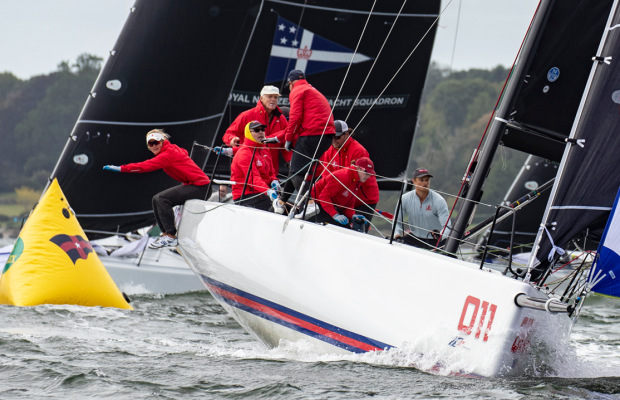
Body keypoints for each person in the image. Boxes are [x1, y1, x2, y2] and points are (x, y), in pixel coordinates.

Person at [103, 129, 211, 248]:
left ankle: (170, 236)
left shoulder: (167, 154)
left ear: (162, 141)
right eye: (151, 144)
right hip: (194, 185)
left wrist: (121, 168)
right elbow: (183, 152)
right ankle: (165, 234)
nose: (154, 146)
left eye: (156, 142)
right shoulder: (171, 149)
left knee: (162, 199)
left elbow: (145, 166)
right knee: (155, 199)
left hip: (201, 187)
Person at [273, 70, 335, 214]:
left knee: (295, 171)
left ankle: (310, 204)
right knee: (297, 169)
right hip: (326, 137)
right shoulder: (311, 89)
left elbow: (295, 118)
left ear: (291, 83)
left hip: (311, 135)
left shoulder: (297, 90)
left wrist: (288, 139)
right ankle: (282, 202)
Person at [316, 120, 379, 229]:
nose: (334, 140)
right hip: (344, 199)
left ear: (346, 134)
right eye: (331, 137)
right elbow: (326, 176)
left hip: (362, 200)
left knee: (358, 232)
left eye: (337, 137)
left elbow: (360, 178)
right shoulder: (329, 151)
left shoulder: (359, 151)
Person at [220, 85, 291, 172]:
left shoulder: (281, 118)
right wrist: (232, 139)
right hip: (248, 167)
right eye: (270, 96)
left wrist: (290, 160)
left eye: (275, 97)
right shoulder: (247, 115)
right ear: (261, 98)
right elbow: (228, 134)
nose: (273, 99)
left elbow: (285, 141)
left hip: (271, 171)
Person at [394, 168, 451, 250]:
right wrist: (397, 235)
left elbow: (447, 226)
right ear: (414, 181)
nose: (425, 183)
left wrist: (441, 235)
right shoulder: (404, 199)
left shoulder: (439, 200)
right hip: (414, 238)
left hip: (436, 241)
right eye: (421, 180)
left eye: (427, 180)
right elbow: (397, 221)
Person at [310, 157, 375, 228]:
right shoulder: (343, 177)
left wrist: (353, 215)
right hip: (314, 203)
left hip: (328, 205)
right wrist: (335, 215)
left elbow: (348, 204)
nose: (369, 176)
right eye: (366, 173)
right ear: (359, 168)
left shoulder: (357, 181)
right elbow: (323, 197)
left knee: (349, 228)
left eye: (370, 174)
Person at [230, 121, 280, 211]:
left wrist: (274, 181)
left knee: (290, 208)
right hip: (247, 196)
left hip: (263, 193)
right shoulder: (244, 153)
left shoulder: (265, 150)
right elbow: (253, 179)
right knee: (280, 210)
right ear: (248, 133)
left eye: (262, 129)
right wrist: (268, 191)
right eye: (257, 130)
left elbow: (271, 172)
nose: (261, 132)